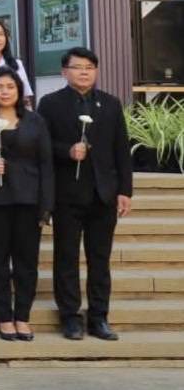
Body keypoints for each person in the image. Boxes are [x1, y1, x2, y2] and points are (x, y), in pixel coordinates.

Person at [38, 46, 132, 341]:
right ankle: (70, 316)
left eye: (89, 67)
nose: (83, 72)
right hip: (67, 194)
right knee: (66, 256)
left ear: (96, 71)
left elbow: (121, 150)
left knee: (99, 259)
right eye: (77, 67)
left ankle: (99, 317)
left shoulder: (111, 104)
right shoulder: (51, 104)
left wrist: (124, 190)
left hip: (103, 193)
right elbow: (41, 148)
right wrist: (67, 151)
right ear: (64, 72)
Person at [0, 66, 53, 342]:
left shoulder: (34, 121)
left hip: (28, 201)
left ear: (19, 91)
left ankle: (23, 317)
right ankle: (4, 317)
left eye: (10, 87)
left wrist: (46, 205)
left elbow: (46, 164)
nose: (4, 92)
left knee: (26, 263)